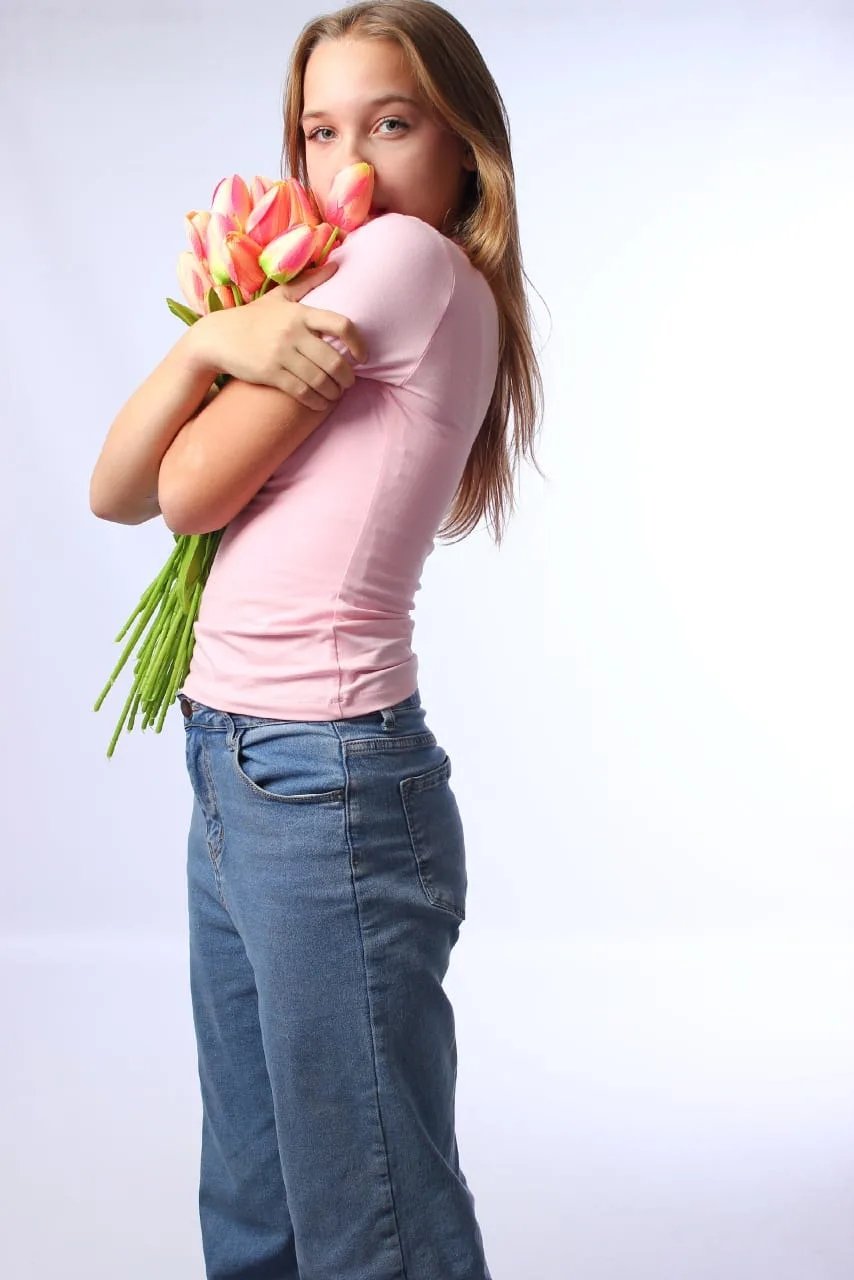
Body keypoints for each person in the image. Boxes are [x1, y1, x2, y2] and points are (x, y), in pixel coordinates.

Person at [90, 2, 543, 1275]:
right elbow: (112, 490)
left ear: (462, 147)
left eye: (390, 125)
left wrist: (214, 346)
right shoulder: (323, 288)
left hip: (321, 782)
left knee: (370, 1224)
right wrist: (213, 334)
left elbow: (182, 491)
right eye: (318, 133)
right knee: (261, 1208)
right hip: (240, 763)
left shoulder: (401, 263)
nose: (350, 168)